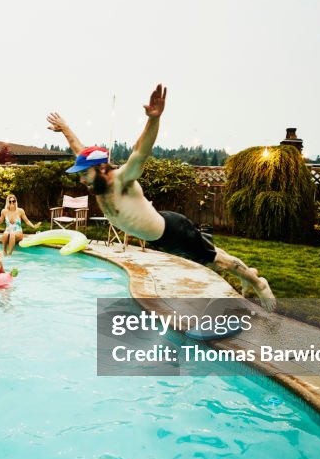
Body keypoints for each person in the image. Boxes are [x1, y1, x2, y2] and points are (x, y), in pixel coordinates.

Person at [46, 84, 276, 310]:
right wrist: (65, 128)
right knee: (213, 260)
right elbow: (79, 149)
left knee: (217, 261)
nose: (82, 180)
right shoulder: (96, 177)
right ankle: (248, 276)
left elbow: (140, 151)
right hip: (159, 238)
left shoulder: (123, 179)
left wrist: (154, 118)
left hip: (173, 231)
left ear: (102, 168)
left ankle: (258, 282)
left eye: (85, 174)